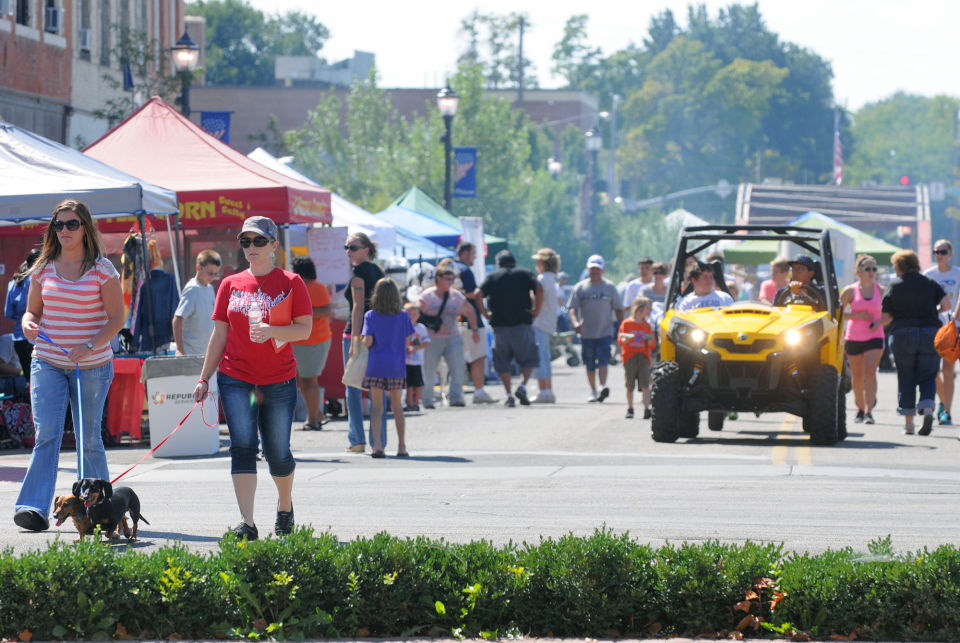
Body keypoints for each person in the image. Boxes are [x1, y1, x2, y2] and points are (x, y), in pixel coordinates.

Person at [192, 216, 313, 541]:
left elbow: (305, 329)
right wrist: (205, 378)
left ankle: (284, 506)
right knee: (242, 447)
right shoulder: (230, 284)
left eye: (259, 241)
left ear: (274, 245)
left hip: (278, 380)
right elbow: (219, 336)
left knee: (278, 452)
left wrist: (273, 330)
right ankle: (247, 521)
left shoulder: (291, 281)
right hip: (236, 379)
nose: (251, 248)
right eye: (246, 242)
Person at [13, 199, 125, 532]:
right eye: (58, 225)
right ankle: (33, 508)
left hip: (91, 364)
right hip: (46, 360)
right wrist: (28, 324)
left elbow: (118, 319)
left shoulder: (102, 269)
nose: (64, 230)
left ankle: (101, 511)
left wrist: (90, 344)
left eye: (72, 224)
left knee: (88, 437)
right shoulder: (43, 267)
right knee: (46, 435)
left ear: (85, 228)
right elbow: (31, 312)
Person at [880, 249, 950, 436]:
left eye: (895, 265)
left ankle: (909, 424)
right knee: (929, 374)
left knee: (906, 376)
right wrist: (931, 310)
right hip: (929, 333)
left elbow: (886, 316)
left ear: (900, 266)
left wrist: (875, 324)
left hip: (903, 333)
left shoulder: (894, 285)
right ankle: (928, 409)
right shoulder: (930, 282)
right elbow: (946, 305)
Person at [478, 250, 542, 407]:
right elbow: (539, 288)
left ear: (499, 263)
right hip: (522, 324)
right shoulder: (525, 273)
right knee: (528, 360)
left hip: (500, 327)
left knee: (502, 362)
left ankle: (509, 395)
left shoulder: (493, 277)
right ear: (514, 261)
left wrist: (485, 314)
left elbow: (478, 293)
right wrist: (536, 310)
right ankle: (522, 386)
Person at [361, 278, 415, 458]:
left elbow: (367, 341)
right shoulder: (403, 316)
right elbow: (408, 342)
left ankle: (377, 446)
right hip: (396, 366)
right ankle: (401, 446)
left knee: (377, 408)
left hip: (376, 365)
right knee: (397, 406)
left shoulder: (370, 315)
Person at [343, 232, 386, 453]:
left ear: (365, 250)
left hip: (357, 333)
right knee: (377, 387)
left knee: (353, 386)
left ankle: (357, 440)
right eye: (347, 247)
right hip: (378, 333)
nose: (348, 251)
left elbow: (358, 306)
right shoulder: (379, 271)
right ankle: (380, 440)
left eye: (353, 247)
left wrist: (355, 339)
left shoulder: (358, 272)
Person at [418, 266, 481, 409]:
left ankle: (456, 397)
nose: (450, 281)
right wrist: (433, 326)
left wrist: (475, 330)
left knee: (458, 366)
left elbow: (470, 311)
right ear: (438, 279)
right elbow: (417, 315)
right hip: (432, 338)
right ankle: (427, 399)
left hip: (453, 336)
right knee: (429, 369)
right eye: (447, 278)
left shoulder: (456, 295)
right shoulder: (427, 296)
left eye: (452, 279)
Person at [568, 254, 623, 403]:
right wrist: (575, 323)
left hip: (605, 331)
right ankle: (592, 390)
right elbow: (572, 308)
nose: (595, 271)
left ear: (603, 269)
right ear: (588, 269)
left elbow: (618, 309)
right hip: (586, 333)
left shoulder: (610, 287)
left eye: (597, 269)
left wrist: (622, 327)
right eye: (592, 269)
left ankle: (602, 387)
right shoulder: (580, 287)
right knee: (590, 363)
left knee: (603, 360)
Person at [840, 255, 885, 424]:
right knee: (857, 376)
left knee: (870, 371)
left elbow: (891, 314)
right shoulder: (850, 291)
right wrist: (856, 315)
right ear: (858, 271)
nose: (872, 272)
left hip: (875, 334)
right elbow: (837, 313)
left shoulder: (881, 290)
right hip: (854, 336)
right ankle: (860, 408)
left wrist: (879, 322)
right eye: (868, 269)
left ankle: (868, 411)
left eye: (874, 269)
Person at [291, 256, 332, 431]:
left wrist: (303, 312)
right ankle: (317, 415)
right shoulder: (297, 286)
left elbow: (325, 311)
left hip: (314, 340)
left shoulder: (317, 287)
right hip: (300, 339)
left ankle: (313, 419)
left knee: (309, 380)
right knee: (303, 380)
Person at [923, 239, 960, 425]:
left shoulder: (958, 274)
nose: (939, 255)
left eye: (943, 251)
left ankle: (946, 410)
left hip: (953, 327)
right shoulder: (928, 275)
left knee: (948, 369)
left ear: (950, 254)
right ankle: (942, 401)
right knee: (933, 371)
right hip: (933, 326)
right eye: (936, 251)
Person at [453, 242, 495, 404]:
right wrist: (480, 319)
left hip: (452, 321)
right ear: (464, 253)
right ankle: (479, 391)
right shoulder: (465, 270)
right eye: (473, 253)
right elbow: (472, 295)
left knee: (454, 360)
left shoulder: (451, 269)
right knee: (479, 356)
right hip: (470, 321)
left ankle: (455, 393)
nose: (476, 257)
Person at [132, 239, 179, 353]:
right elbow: (175, 307)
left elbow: (139, 316)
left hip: (149, 338)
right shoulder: (170, 280)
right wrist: (176, 334)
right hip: (168, 336)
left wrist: (134, 343)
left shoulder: (145, 286)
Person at [173, 249, 221, 356]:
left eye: (216, 274)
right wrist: (180, 349)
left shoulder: (209, 288)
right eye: (210, 273)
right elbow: (177, 319)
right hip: (191, 355)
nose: (212, 277)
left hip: (207, 355)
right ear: (198, 267)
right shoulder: (192, 289)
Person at [4, 248, 40, 383]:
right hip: (36, 336)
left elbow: (9, 313)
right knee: (40, 377)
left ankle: (30, 403)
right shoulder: (40, 280)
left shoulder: (13, 283)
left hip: (18, 337)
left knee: (29, 378)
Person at [618, 296, 657, 419]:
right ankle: (630, 408)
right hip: (630, 357)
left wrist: (650, 338)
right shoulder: (627, 323)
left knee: (645, 383)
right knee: (630, 384)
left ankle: (647, 409)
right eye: (647, 308)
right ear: (640, 308)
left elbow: (652, 345)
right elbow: (621, 340)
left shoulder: (646, 326)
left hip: (643, 357)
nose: (649, 311)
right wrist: (626, 338)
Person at [531, 248, 560, 403]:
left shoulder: (542, 279)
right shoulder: (551, 278)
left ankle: (543, 391)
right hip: (548, 322)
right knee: (545, 356)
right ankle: (548, 390)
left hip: (540, 321)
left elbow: (537, 299)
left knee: (539, 357)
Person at [403, 303, 429, 411]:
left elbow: (426, 342)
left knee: (418, 384)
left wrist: (415, 348)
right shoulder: (402, 327)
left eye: (414, 314)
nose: (411, 316)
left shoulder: (421, 328)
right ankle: (409, 403)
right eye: (409, 314)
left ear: (418, 315)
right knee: (408, 385)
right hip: (406, 361)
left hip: (417, 361)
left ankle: (416, 403)